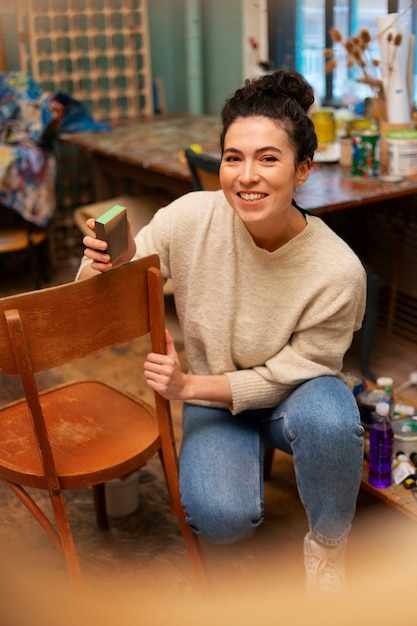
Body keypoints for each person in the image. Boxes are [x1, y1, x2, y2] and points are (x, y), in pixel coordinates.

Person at [76, 69, 366, 595]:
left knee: (332, 415)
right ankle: (239, 463)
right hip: (214, 397)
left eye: (268, 158)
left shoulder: (337, 271)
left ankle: (328, 549)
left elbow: (294, 371)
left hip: (291, 396)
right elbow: (100, 308)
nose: (246, 176)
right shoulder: (188, 217)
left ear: (303, 170)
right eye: (234, 157)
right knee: (222, 521)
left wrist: (186, 388)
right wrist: (97, 267)